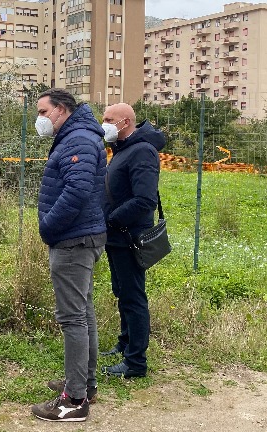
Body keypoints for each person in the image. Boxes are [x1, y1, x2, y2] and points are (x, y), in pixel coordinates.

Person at [29, 89, 108, 422]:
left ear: (61, 110)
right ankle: (83, 384)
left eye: (43, 111)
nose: (39, 119)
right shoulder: (76, 136)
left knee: (73, 318)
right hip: (82, 237)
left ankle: (74, 400)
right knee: (83, 312)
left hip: (73, 240)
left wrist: (48, 226)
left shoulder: (77, 140)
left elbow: (75, 191)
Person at [99, 103, 165, 378]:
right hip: (116, 237)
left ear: (125, 122)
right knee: (122, 293)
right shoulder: (123, 150)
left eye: (108, 119)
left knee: (133, 298)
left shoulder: (142, 152)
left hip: (128, 237)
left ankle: (135, 362)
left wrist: (113, 220)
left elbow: (145, 200)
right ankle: (125, 343)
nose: (103, 124)